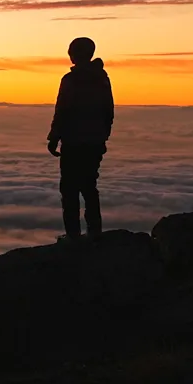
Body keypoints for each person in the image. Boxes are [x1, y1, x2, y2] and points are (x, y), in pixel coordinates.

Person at [46, 36, 113, 239]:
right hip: (94, 143)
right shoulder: (102, 78)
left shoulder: (70, 80)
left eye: (71, 50)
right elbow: (108, 111)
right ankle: (95, 233)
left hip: (73, 143)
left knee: (69, 189)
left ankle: (73, 236)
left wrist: (54, 137)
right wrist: (102, 137)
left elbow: (63, 110)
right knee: (89, 187)